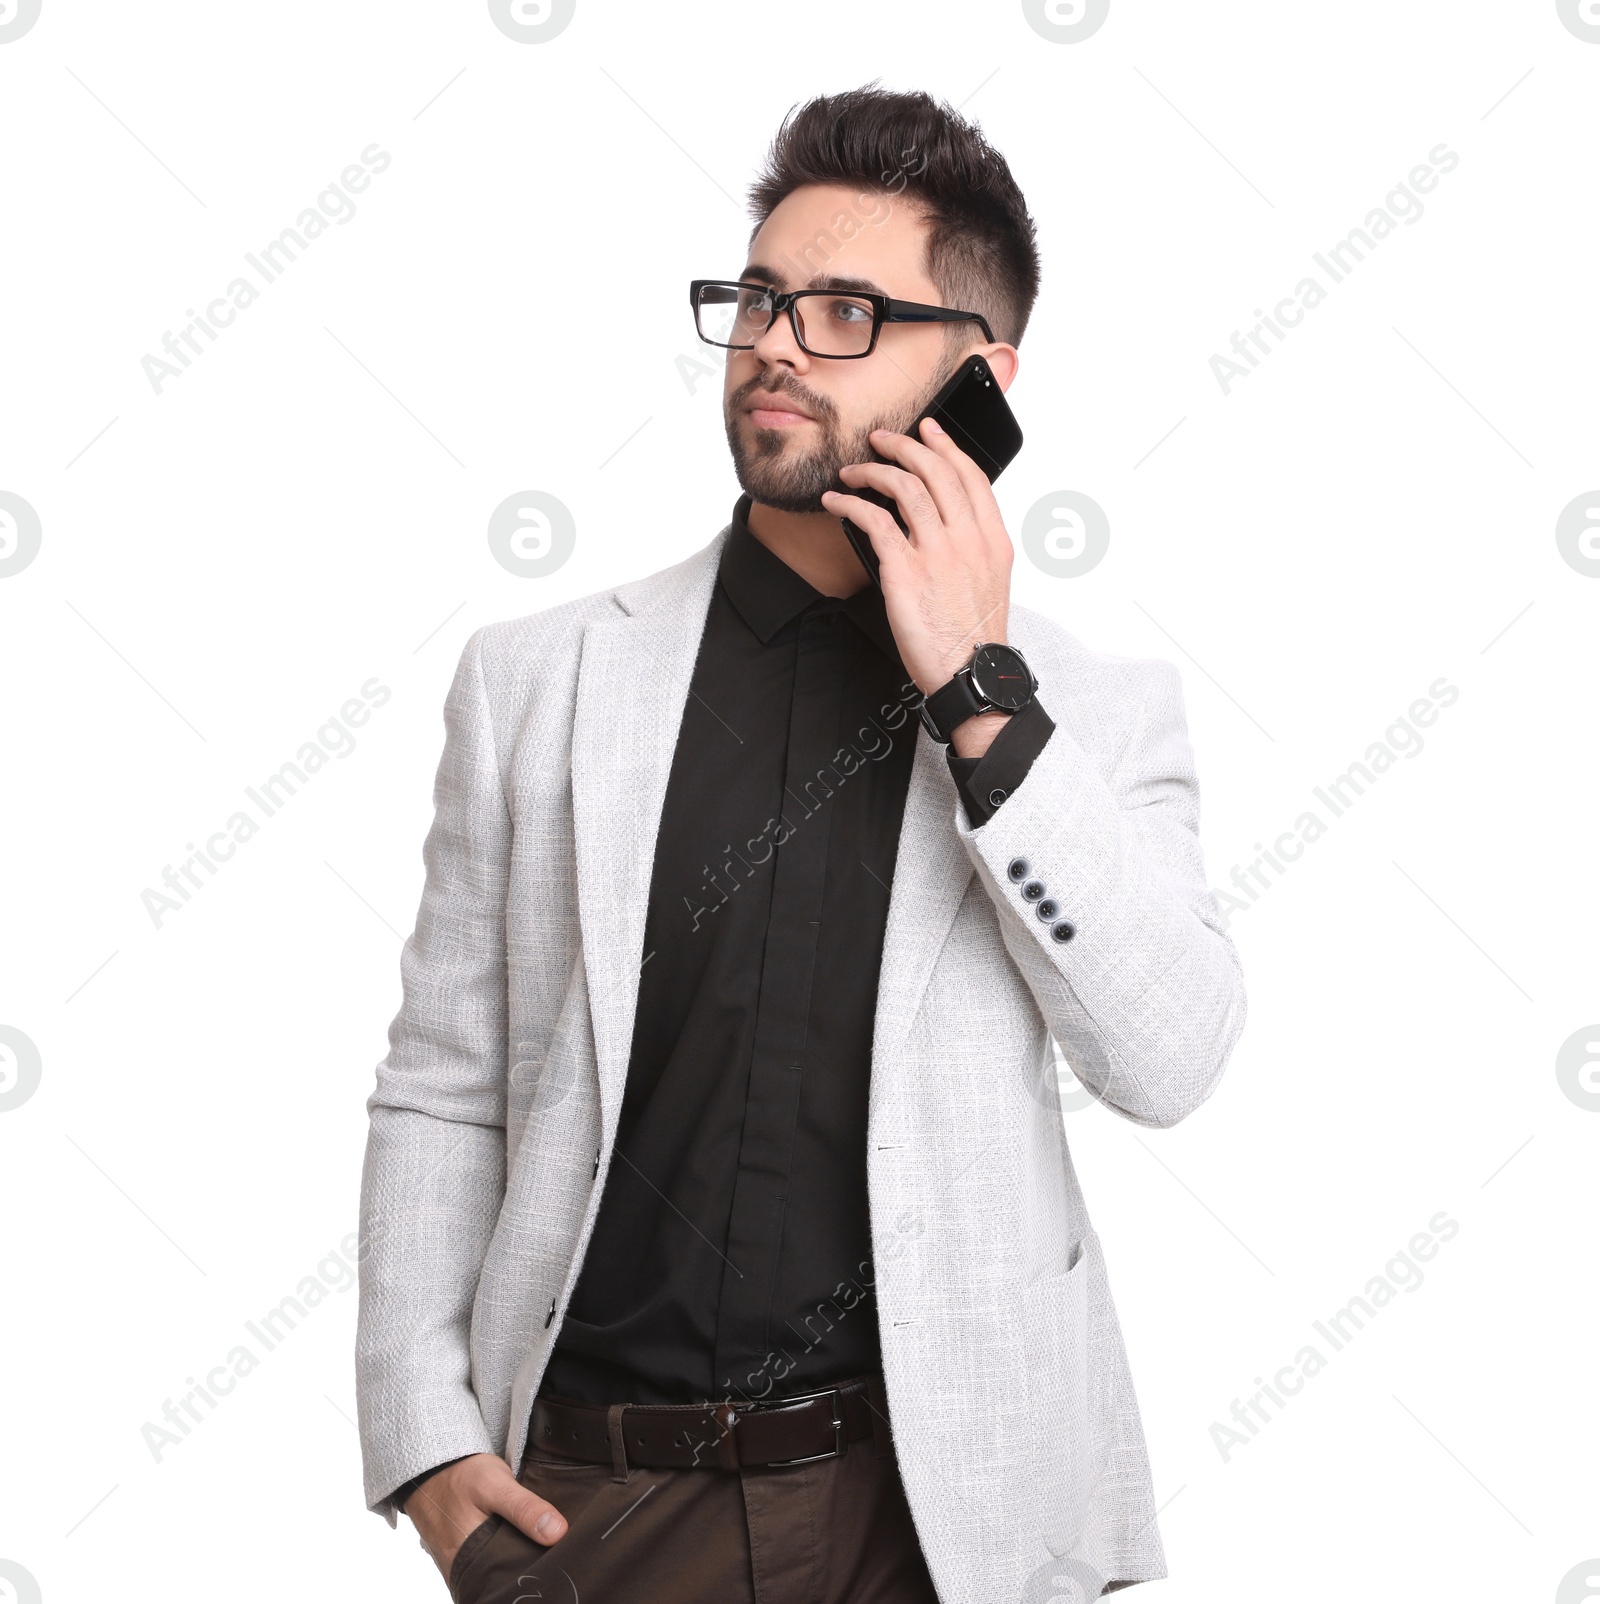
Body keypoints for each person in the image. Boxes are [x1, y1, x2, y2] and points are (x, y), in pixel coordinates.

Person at [355, 83, 1247, 1604]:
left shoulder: (1086, 716)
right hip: (592, 1508)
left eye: (846, 311)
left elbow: (1169, 1058)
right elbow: (442, 1086)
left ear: (982, 375)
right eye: (761, 296)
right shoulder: (542, 681)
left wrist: (979, 691)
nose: (774, 340)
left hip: (940, 1516)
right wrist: (426, 1449)